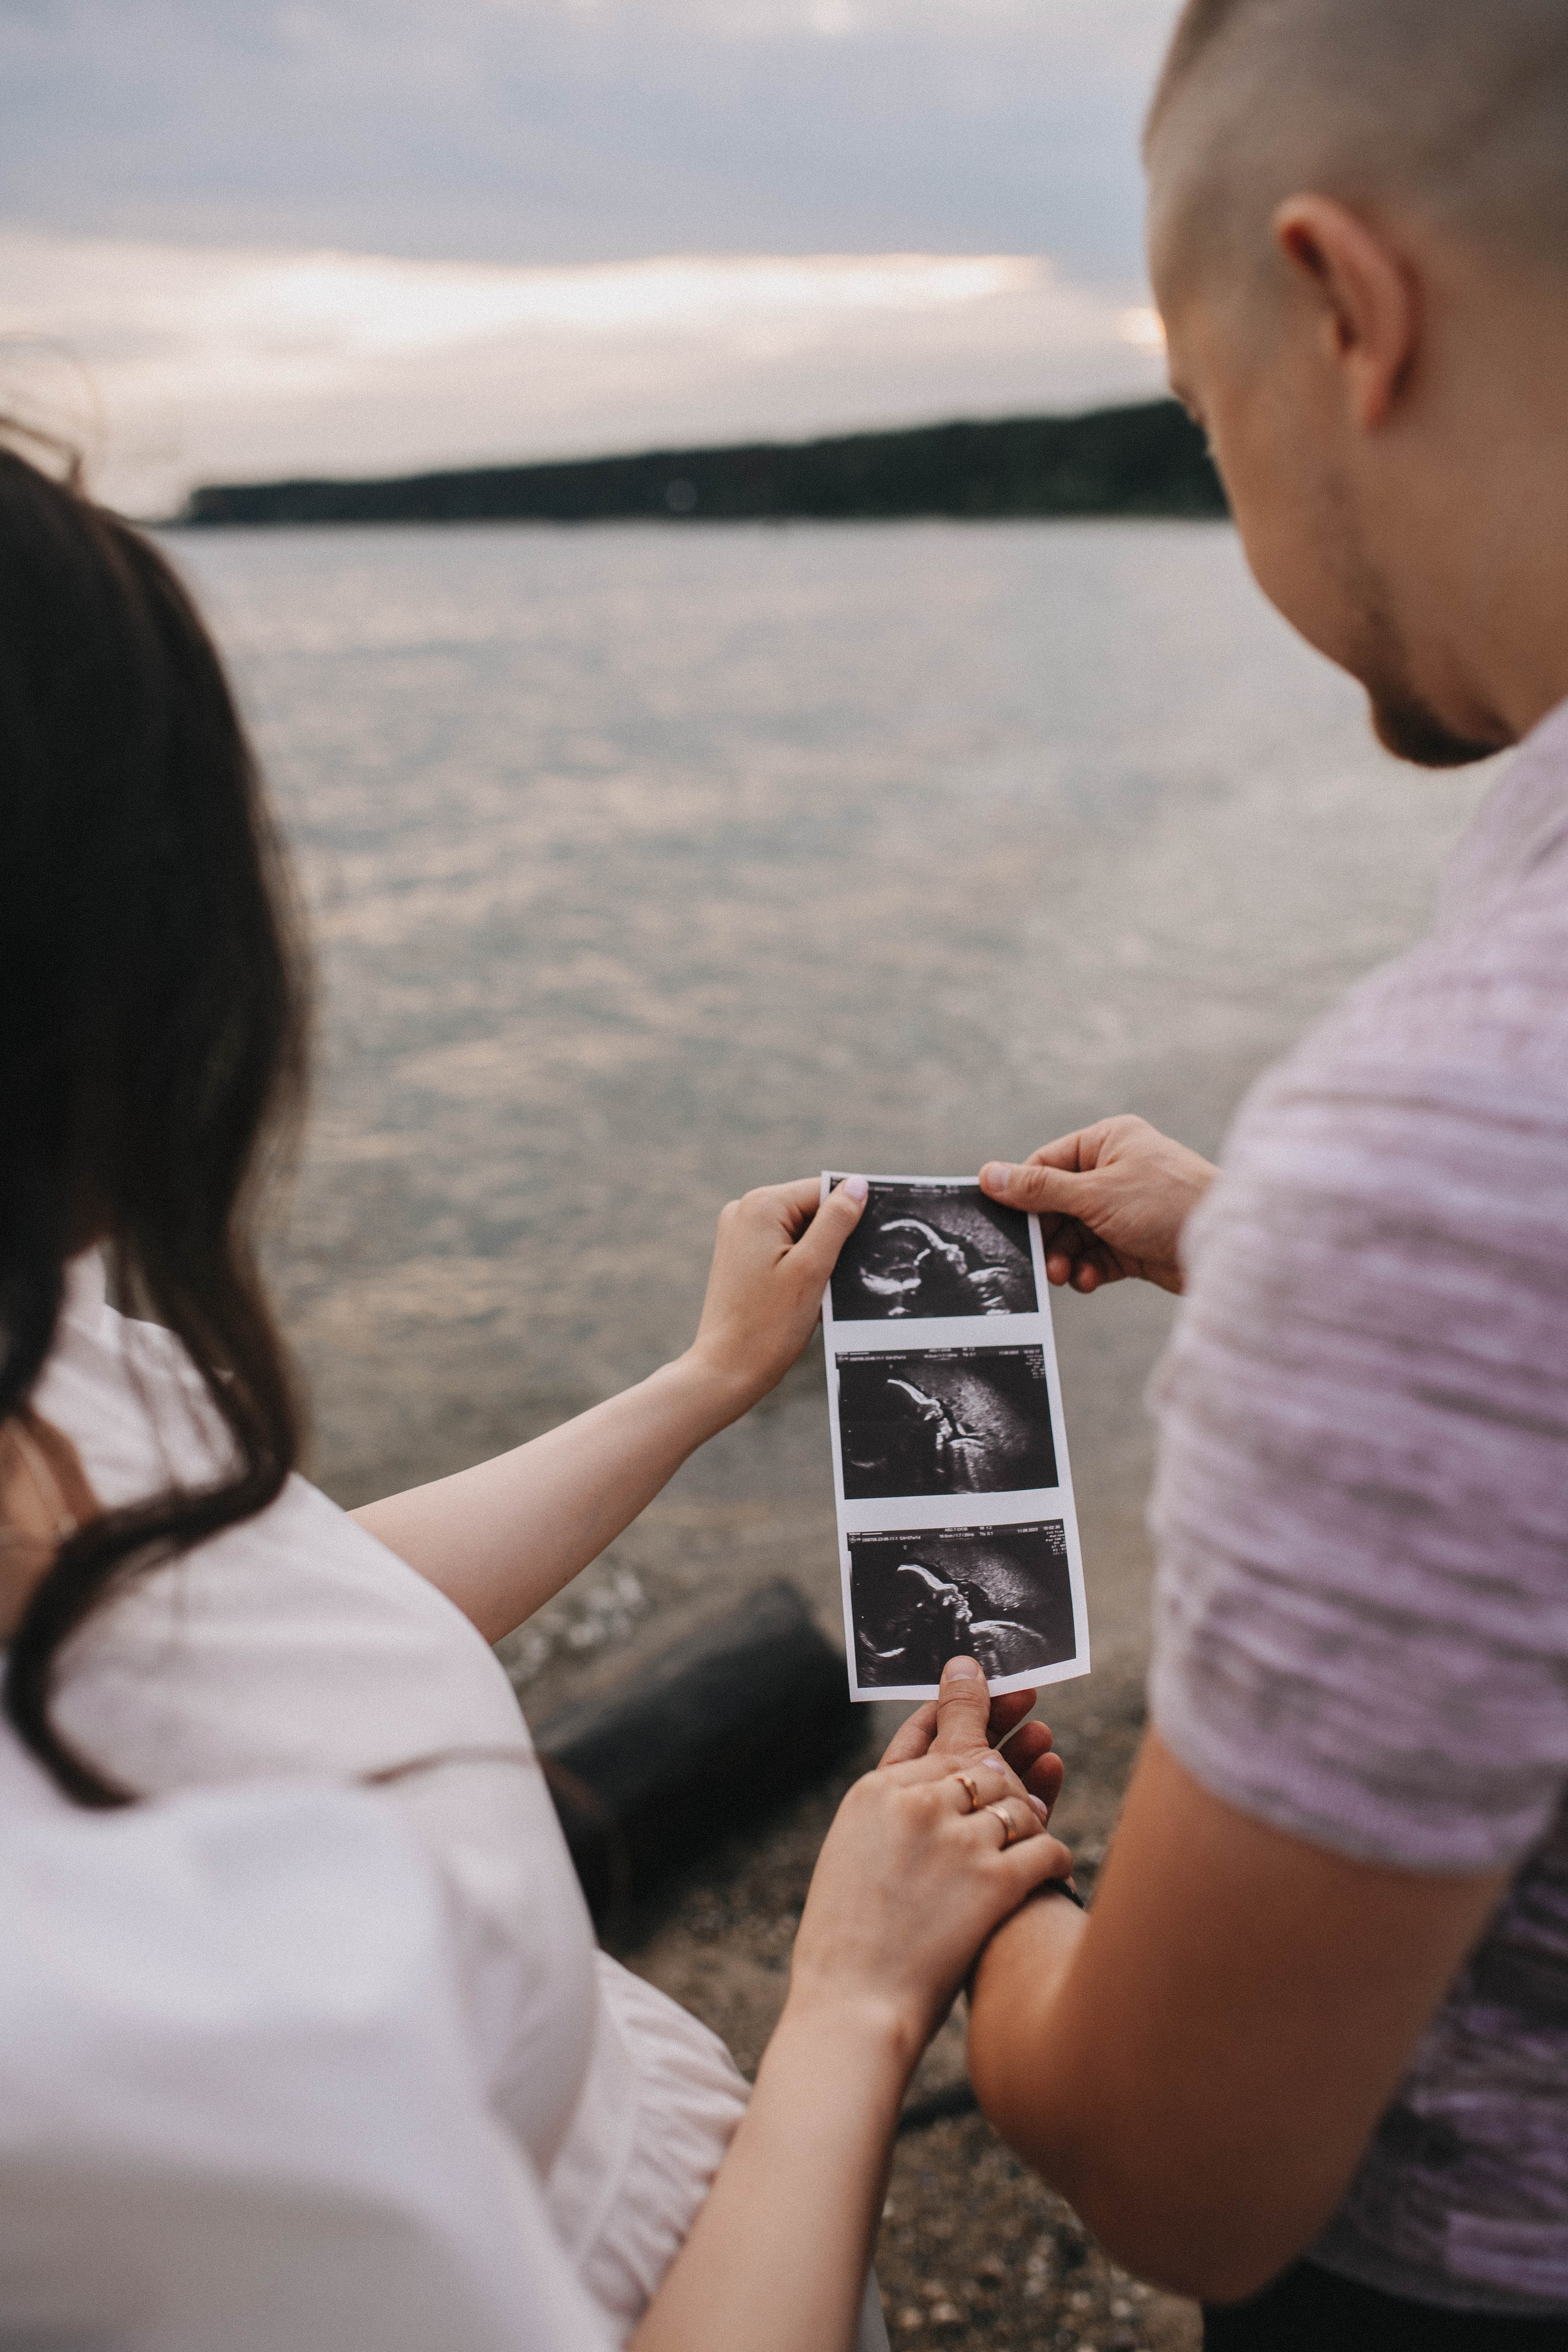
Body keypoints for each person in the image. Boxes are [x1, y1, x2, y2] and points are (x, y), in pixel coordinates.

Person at [0, 437, 1078, 2352]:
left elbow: (270, 1602)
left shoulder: (50, 1349)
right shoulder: (76, 2034)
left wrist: (705, 1382)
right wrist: (850, 1989)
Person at [954, 2, 1568, 2345]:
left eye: (1213, 428)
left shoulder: (1454, 1157)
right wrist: (1264, 1245)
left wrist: (962, 1908)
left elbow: (1179, 2174)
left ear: (1342, 310)